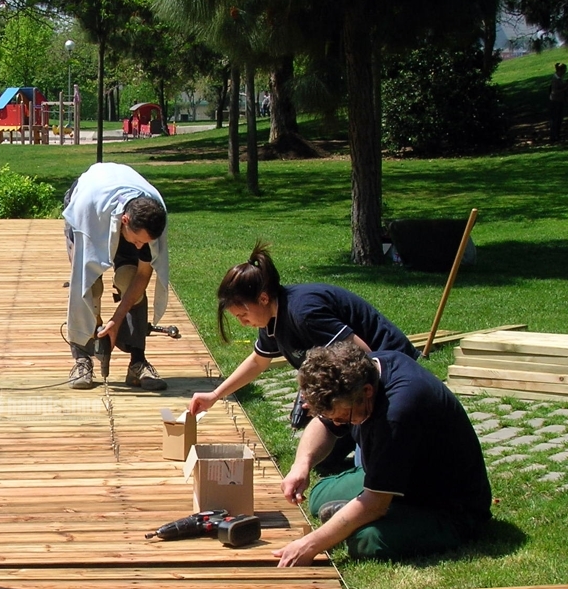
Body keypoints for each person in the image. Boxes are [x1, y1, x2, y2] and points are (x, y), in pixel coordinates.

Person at [274, 340, 491, 567]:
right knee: (318, 497)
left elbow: (376, 503)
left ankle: (360, 517)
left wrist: (311, 544)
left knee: (365, 541)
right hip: (398, 479)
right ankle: (354, 514)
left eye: (344, 418)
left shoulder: (398, 412)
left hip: (446, 508)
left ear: (367, 392)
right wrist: (302, 464)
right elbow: (324, 424)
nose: (339, 424)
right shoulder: (363, 371)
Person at [188, 243, 418, 422]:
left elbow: (364, 357)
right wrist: (215, 396)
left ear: (264, 298)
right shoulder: (271, 319)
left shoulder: (305, 314)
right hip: (362, 372)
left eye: (243, 315)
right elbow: (258, 362)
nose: (242, 323)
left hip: (390, 366)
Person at [63, 162, 170, 391]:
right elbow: (80, 277)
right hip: (88, 208)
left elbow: (143, 275)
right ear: (125, 221)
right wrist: (97, 324)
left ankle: (137, 362)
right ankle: (82, 360)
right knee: (89, 286)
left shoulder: (153, 211)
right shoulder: (86, 209)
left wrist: (116, 321)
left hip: (119, 204)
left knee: (128, 278)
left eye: (146, 242)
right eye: (139, 240)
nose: (142, 245)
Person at [549, 62, 568, 142]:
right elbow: (555, 91)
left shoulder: (559, 79)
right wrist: (564, 88)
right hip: (555, 101)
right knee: (555, 119)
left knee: (558, 119)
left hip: (559, 100)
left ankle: (557, 135)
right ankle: (554, 136)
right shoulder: (555, 80)